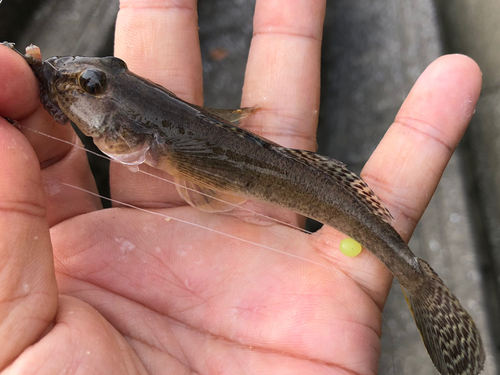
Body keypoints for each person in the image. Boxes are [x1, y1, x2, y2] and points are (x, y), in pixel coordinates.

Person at [0, 0, 482, 373]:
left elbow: (205, 181)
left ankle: (416, 280)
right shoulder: (153, 136)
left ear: (138, 127)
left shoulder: (160, 141)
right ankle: (414, 276)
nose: (74, 80)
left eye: (91, 82)